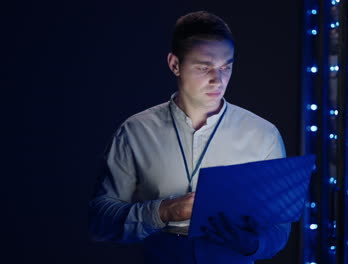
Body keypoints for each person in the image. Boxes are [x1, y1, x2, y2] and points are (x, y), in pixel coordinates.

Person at [88, 10, 291, 264]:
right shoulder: (135, 131)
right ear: (175, 64)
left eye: (226, 67)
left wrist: (253, 245)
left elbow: (280, 226)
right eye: (204, 67)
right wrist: (164, 211)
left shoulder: (264, 135)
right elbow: (100, 221)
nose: (218, 80)